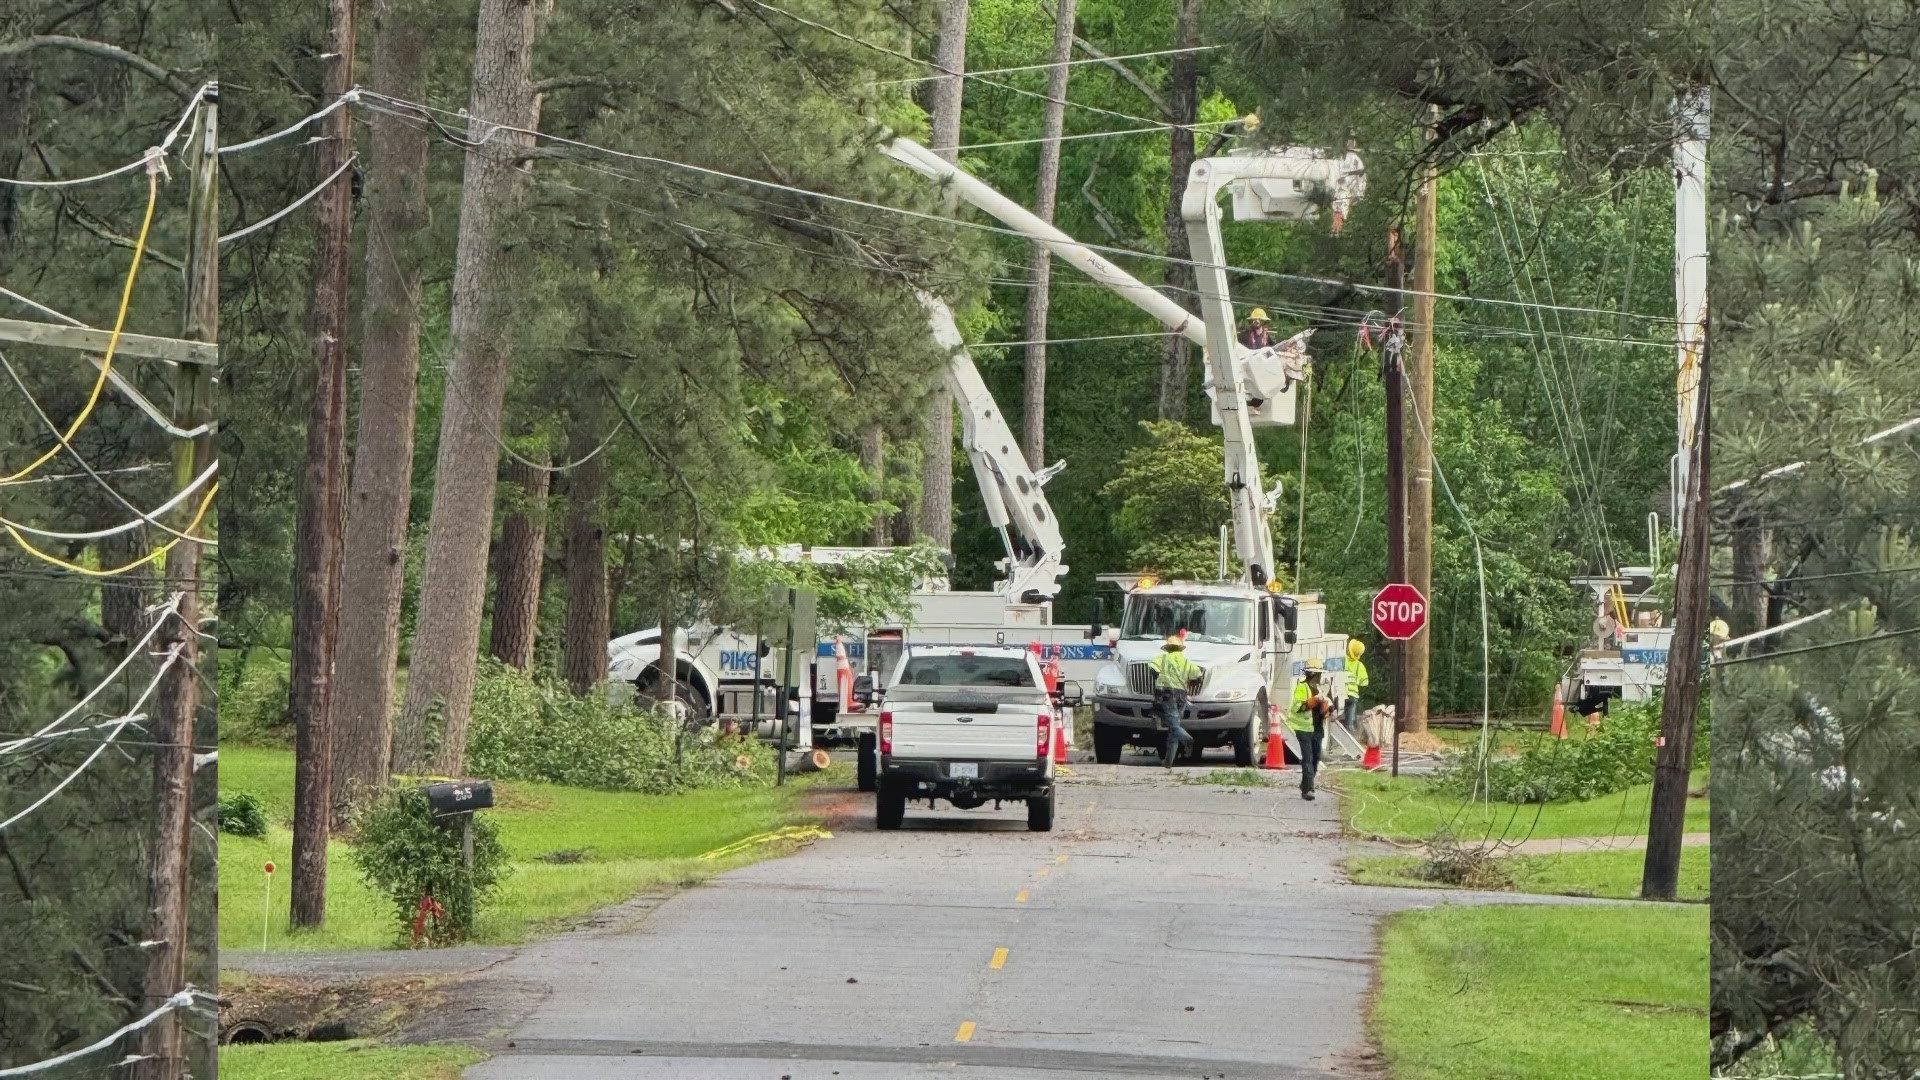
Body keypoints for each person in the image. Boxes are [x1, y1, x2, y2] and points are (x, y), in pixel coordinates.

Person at [1148, 635, 1203, 768]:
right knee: (1173, 728)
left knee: (1172, 725)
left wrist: (1159, 679)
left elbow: (1152, 668)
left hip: (1167, 693)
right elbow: (1198, 676)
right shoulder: (1186, 661)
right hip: (1182, 695)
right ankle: (1168, 761)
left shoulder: (1163, 658)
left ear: (1168, 648)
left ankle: (1188, 740)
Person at [1289, 661, 1335, 799]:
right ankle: (1308, 789)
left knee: (1316, 757)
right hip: (1303, 728)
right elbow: (1298, 707)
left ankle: (1305, 784)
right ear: (1312, 674)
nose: (1320, 676)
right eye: (1318, 674)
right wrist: (1313, 701)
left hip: (1317, 728)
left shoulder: (1323, 687)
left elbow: (1330, 703)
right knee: (1308, 757)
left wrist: (1330, 709)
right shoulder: (1302, 688)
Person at [1340, 639, 1369, 733]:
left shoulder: (1343, 660)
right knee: (1349, 721)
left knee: (1339, 716)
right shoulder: (1360, 666)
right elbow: (1365, 682)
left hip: (1342, 693)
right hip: (1353, 696)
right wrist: (1356, 681)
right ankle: (1350, 732)